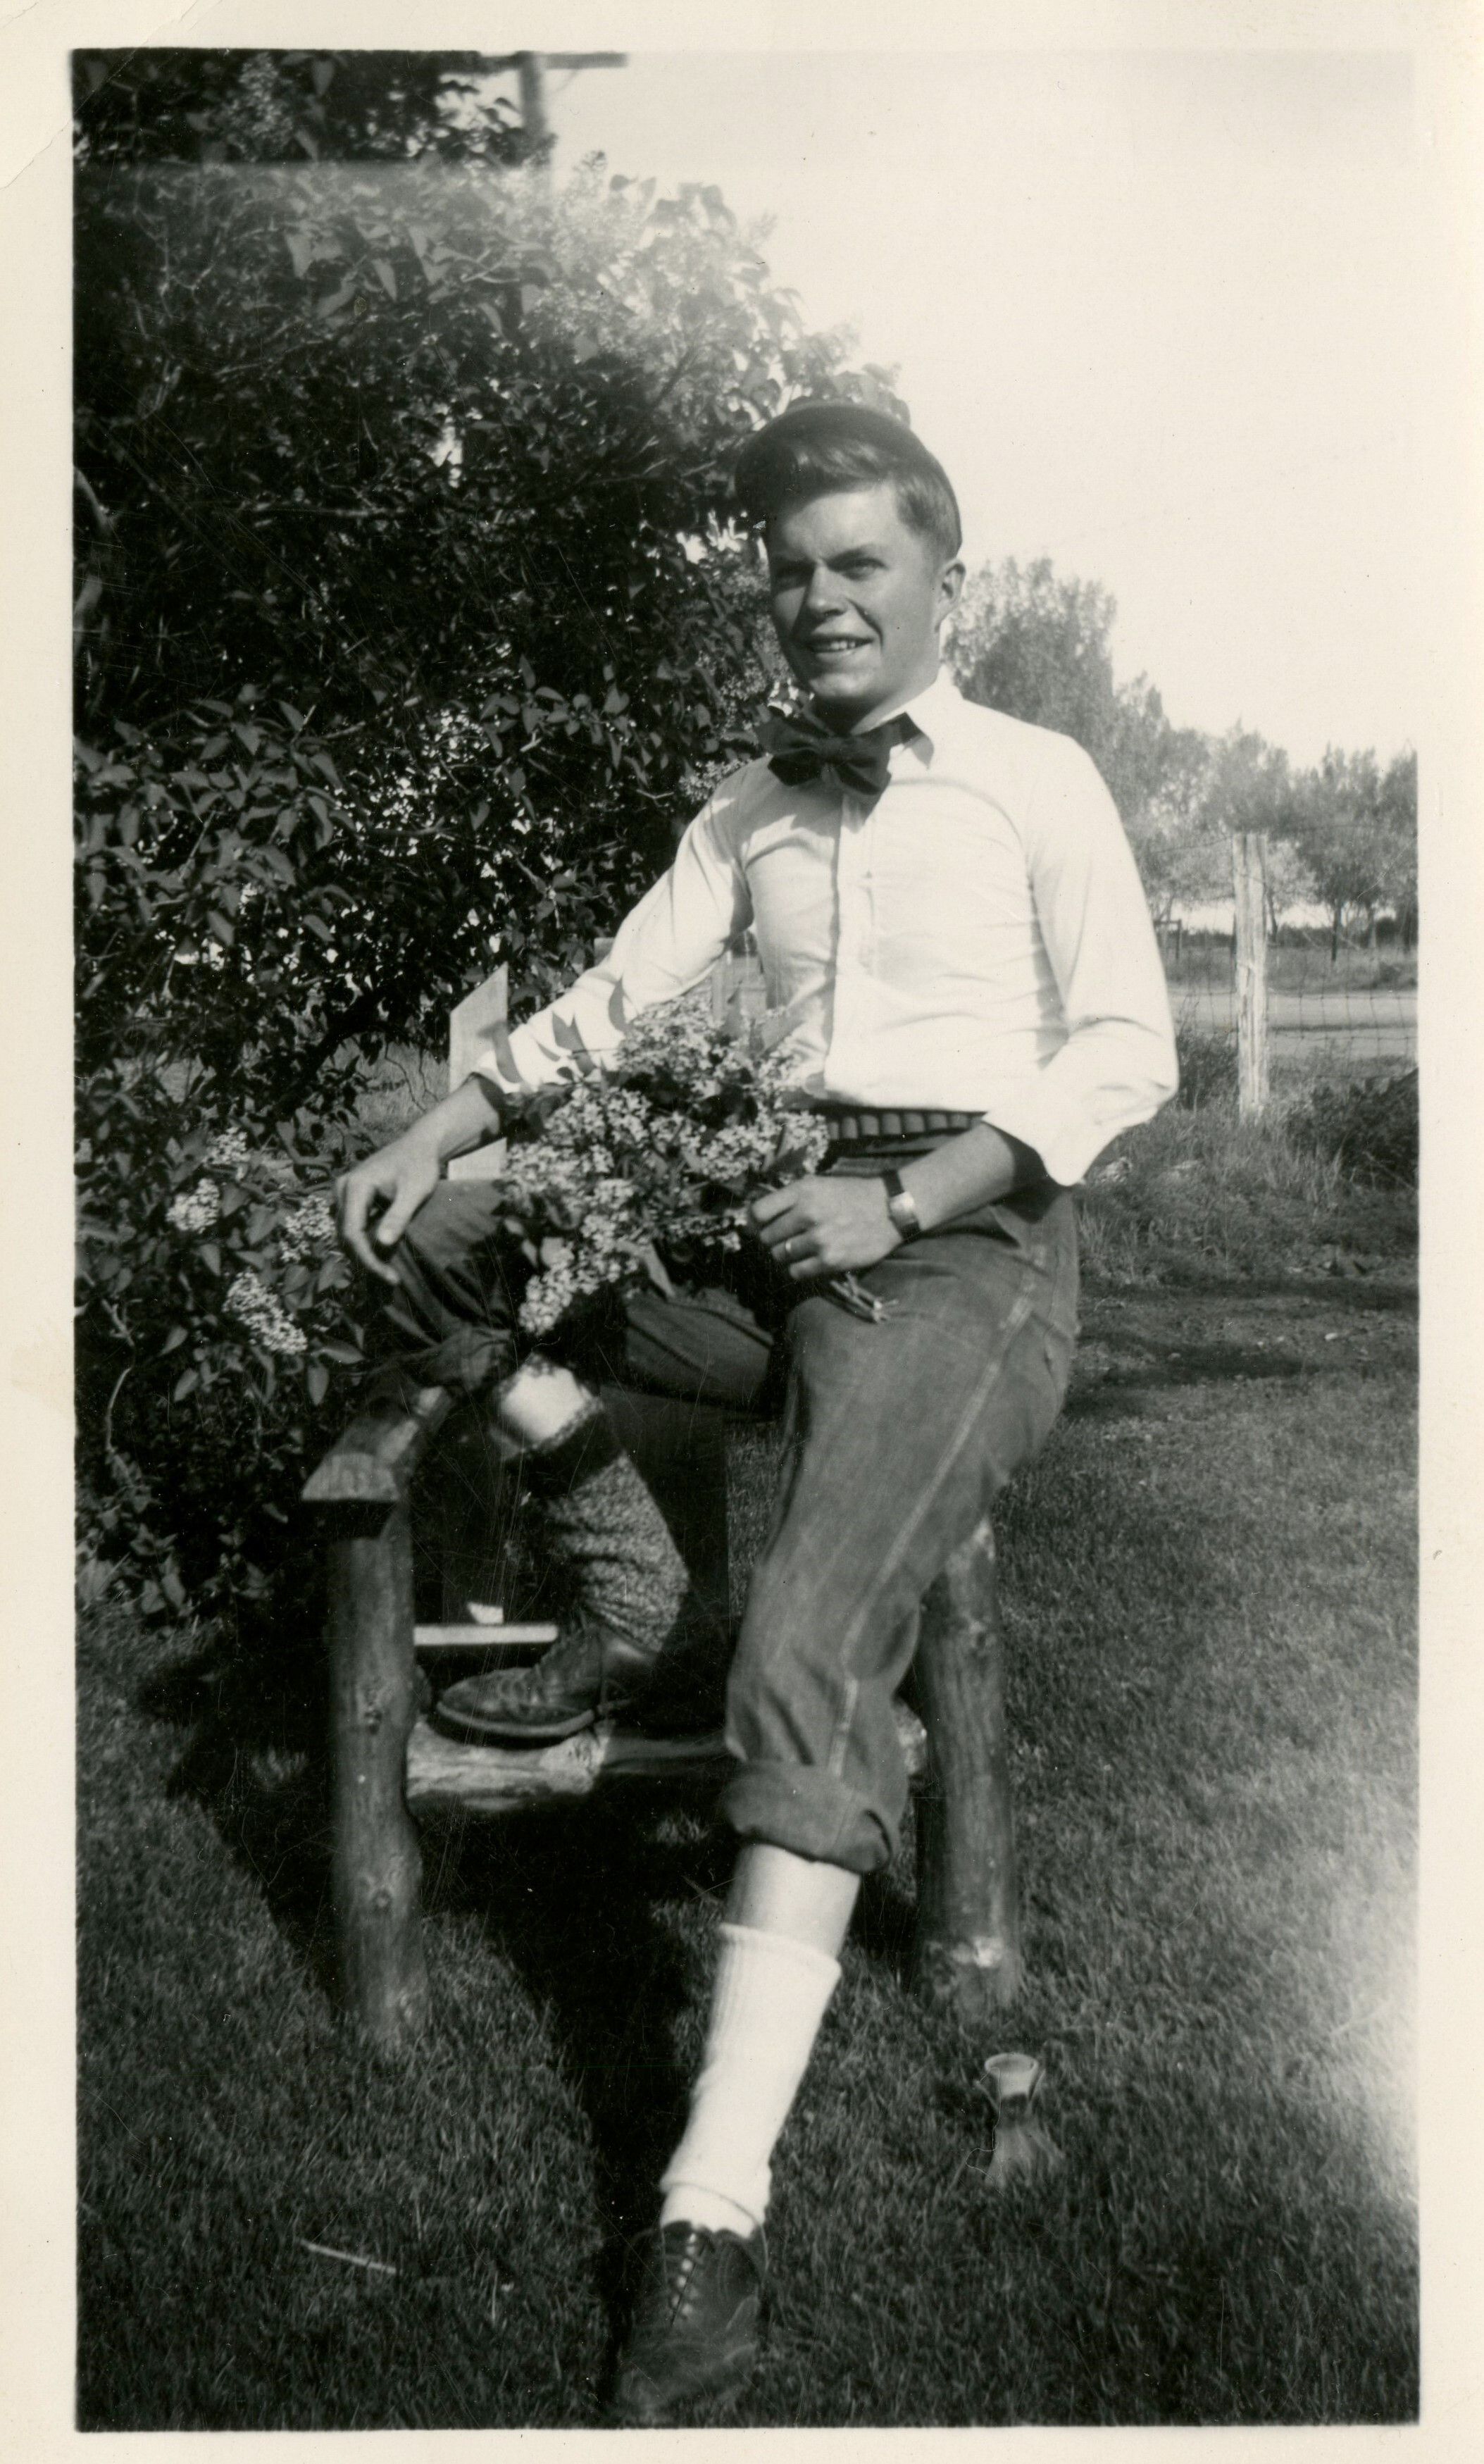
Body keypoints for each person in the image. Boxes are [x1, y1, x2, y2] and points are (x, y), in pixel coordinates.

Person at [336, 402, 1178, 2423]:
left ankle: (707, 2220)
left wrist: (908, 1196)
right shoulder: (749, 806)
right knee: (439, 1248)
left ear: (947, 578)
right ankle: (622, 1576)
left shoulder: (1037, 779)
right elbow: (618, 1002)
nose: (820, 601)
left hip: (962, 1246)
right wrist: (447, 1122)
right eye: (790, 572)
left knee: (803, 1648)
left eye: (858, 563)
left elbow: (1128, 1050)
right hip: (759, 1224)